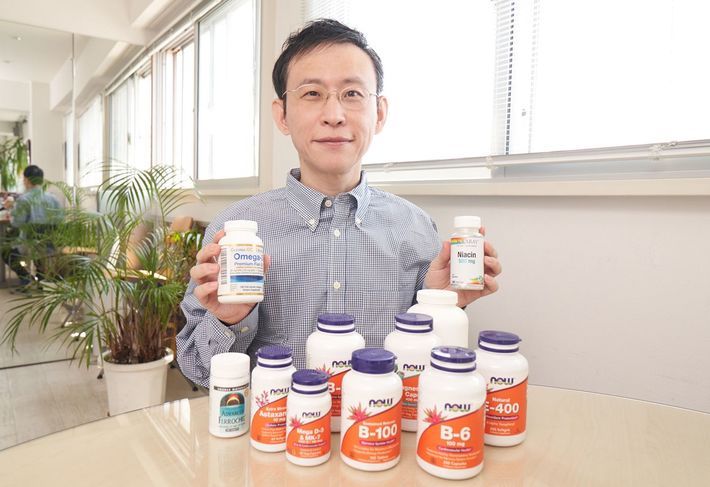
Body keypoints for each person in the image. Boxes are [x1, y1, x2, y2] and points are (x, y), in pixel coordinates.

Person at [177, 19, 502, 386]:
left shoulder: (415, 228)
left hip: (381, 419)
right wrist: (230, 320)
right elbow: (198, 370)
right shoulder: (235, 232)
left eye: (352, 94)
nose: (334, 115)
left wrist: (441, 306)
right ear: (282, 115)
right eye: (312, 94)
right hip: (273, 423)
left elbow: (430, 376)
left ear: (379, 113)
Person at [1, 165, 61, 287]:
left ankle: (26, 278)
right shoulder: (54, 199)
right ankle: (40, 277)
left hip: (29, 243)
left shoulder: (24, 200)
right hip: (50, 242)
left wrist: (12, 211)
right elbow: (60, 221)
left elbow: (16, 223)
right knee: (39, 247)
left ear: (26, 180)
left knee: (5, 250)